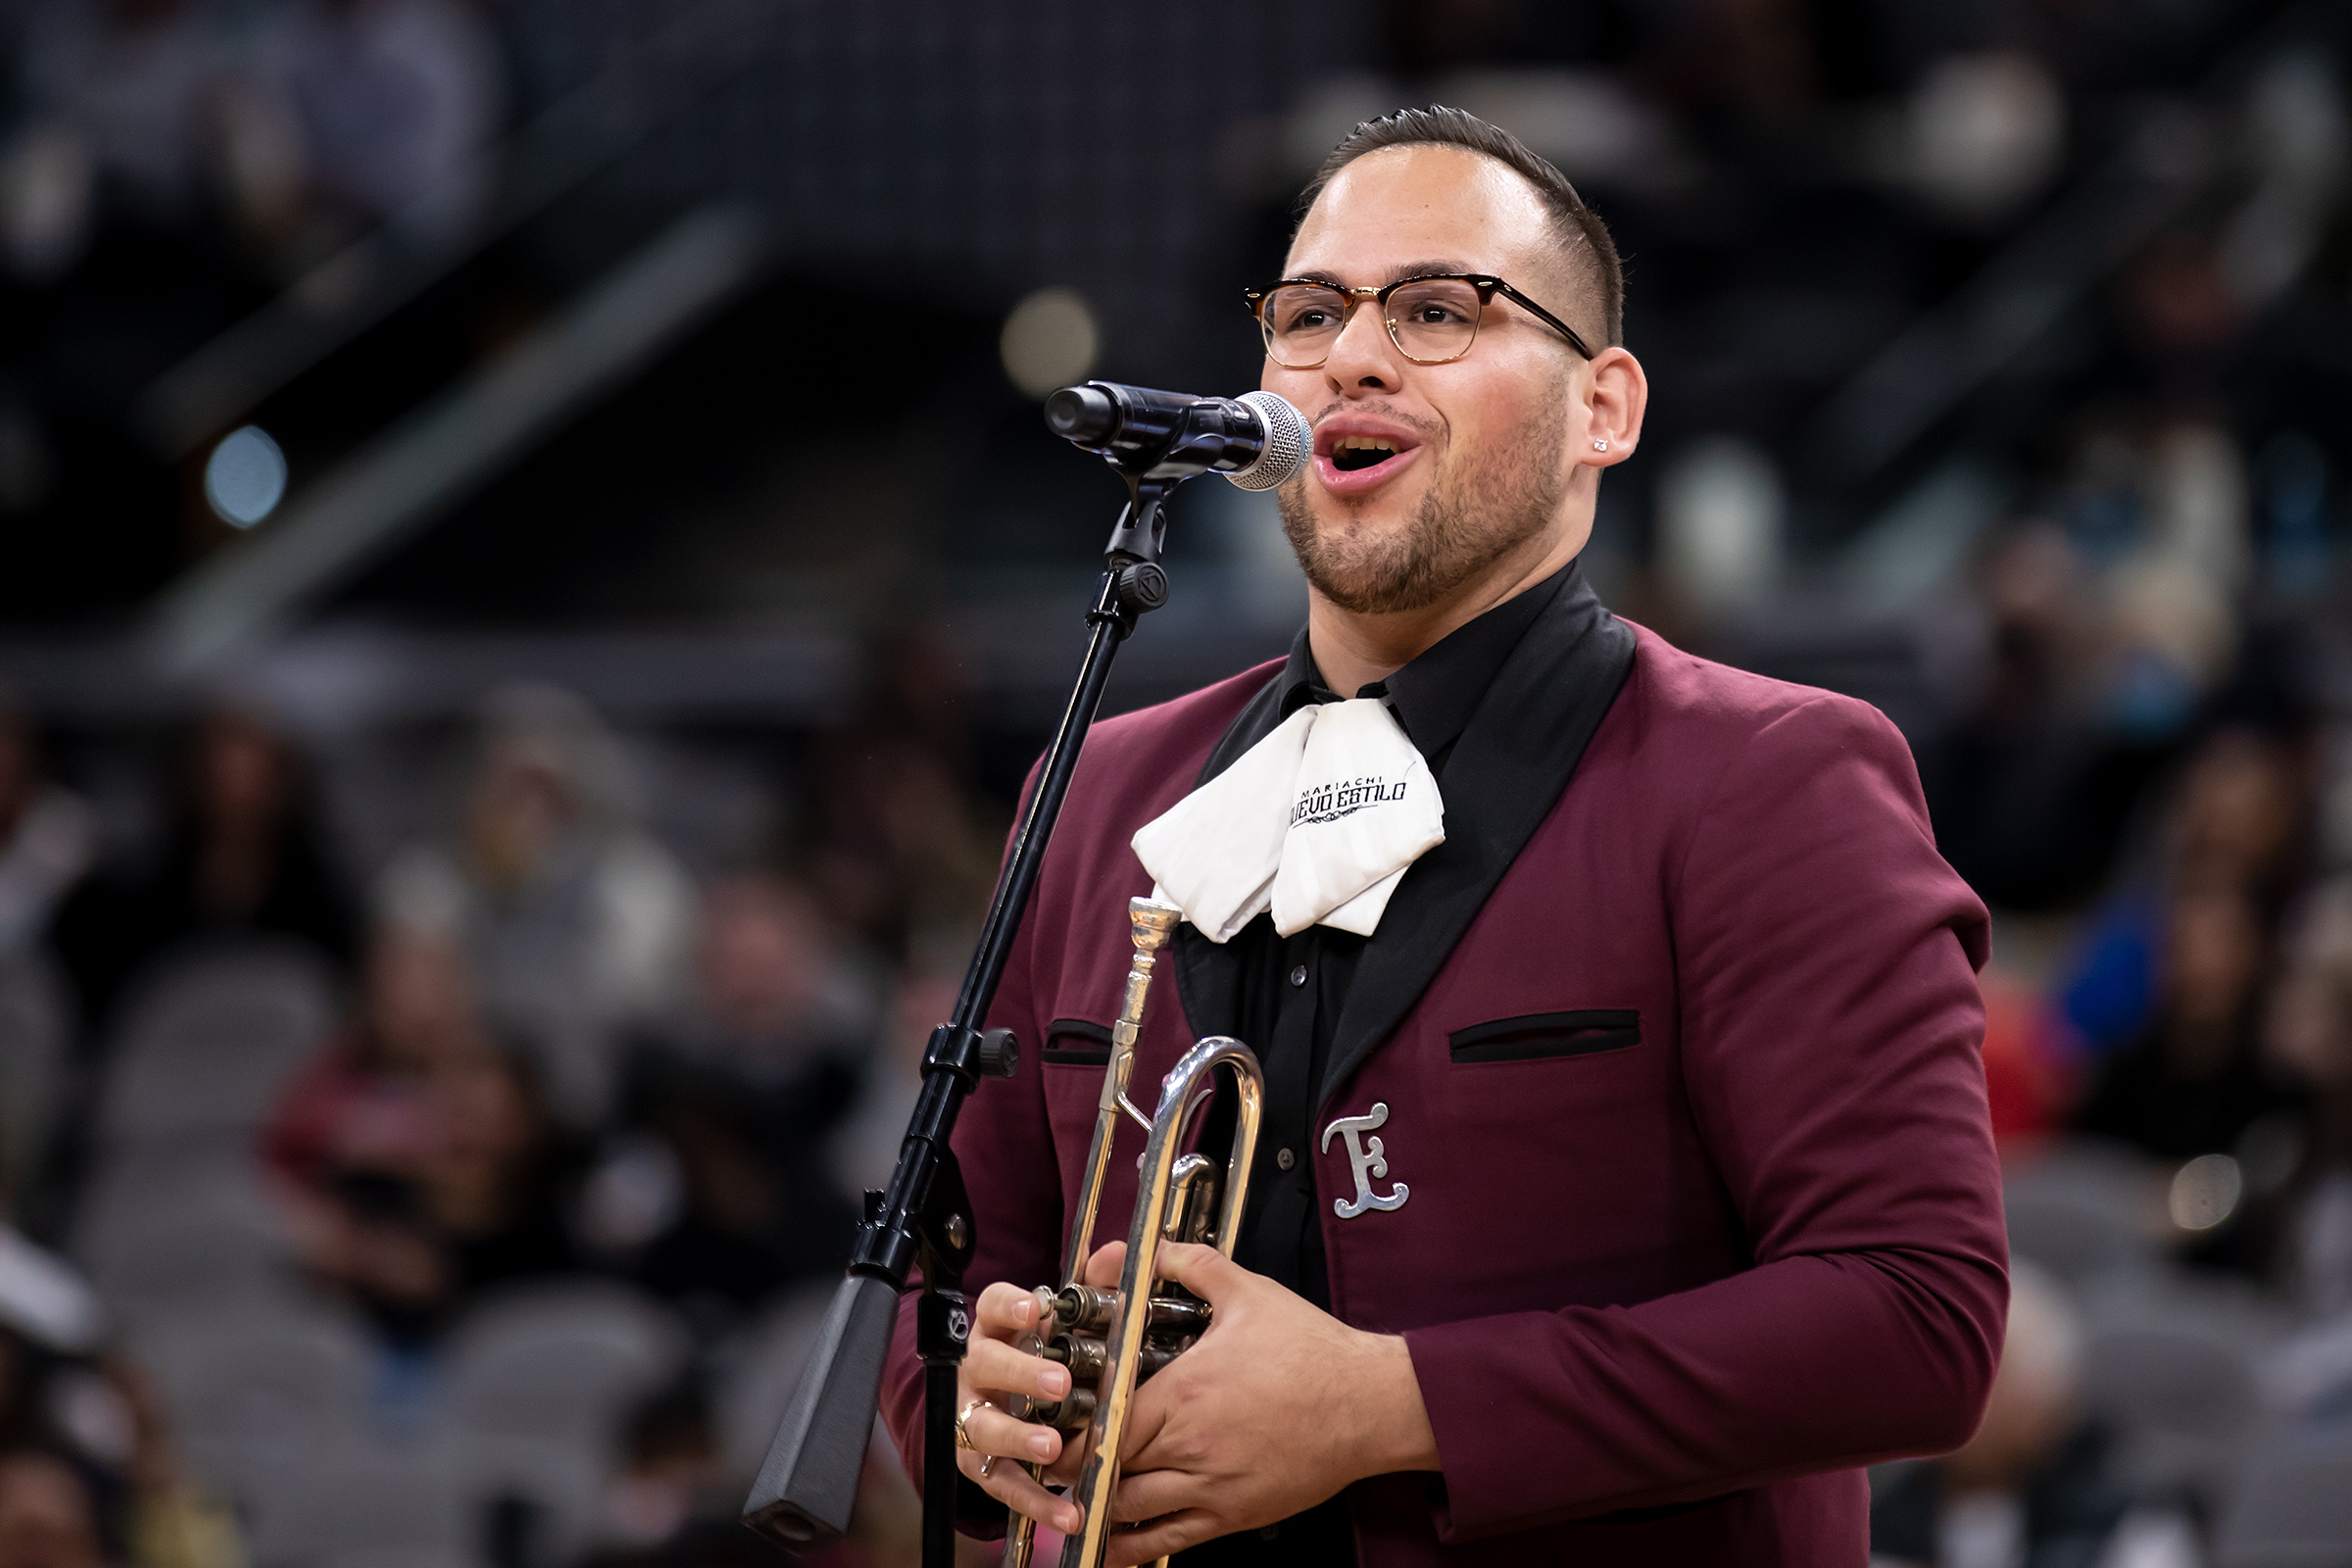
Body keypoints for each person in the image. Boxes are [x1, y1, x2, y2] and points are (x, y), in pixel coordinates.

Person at [880, 108, 2005, 1565]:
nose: (1351, 354)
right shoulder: (1095, 790)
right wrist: (983, 1402)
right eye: (1307, 315)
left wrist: (1387, 1408)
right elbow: (942, 1296)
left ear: (1604, 409)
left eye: (1435, 310)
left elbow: (1915, 1319)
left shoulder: (1771, 780)